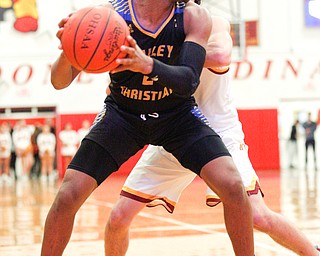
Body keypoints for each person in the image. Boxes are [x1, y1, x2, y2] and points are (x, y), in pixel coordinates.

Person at [40, 1, 254, 256]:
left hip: (177, 116)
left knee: (232, 184)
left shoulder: (192, 17)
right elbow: (58, 81)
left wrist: (147, 64)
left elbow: (188, 81)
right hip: (123, 115)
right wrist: (69, 49)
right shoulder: (109, 14)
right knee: (67, 195)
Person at [105, 7, 320, 256]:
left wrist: (153, 59)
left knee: (258, 216)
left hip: (219, 131)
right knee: (118, 217)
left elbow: (220, 56)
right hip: (173, 130)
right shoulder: (150, 27)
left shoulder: (214, 22)